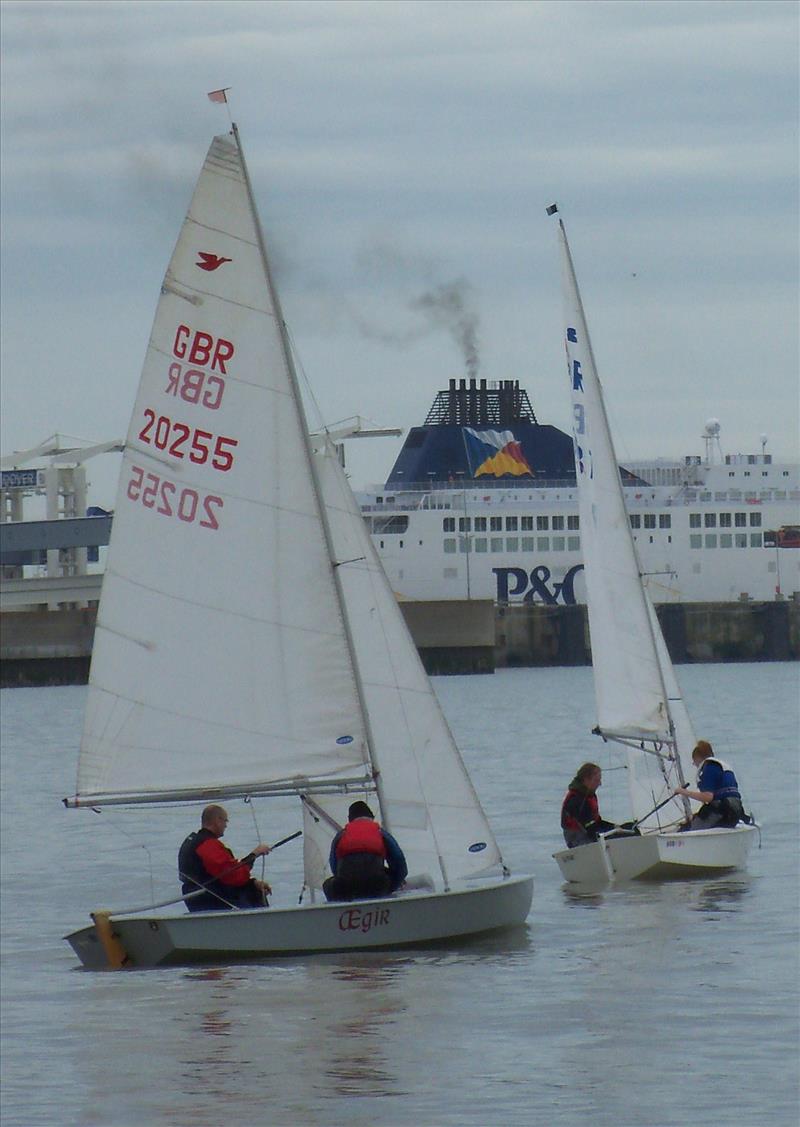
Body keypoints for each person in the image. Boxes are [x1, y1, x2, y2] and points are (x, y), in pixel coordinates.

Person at [178, 804, 272, 912]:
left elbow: (223, 873)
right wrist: (255, 854)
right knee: (254, 892)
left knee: (252, 886)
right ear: (217, 821)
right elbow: (233, 875)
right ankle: (263, 923)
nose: (226, 825)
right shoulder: (207, 845)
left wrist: (253, 882)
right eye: (225, 821)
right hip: (209, 900)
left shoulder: (192, 841)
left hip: (198, 896)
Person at [323, 801, 408, 902]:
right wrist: (394, 885)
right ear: (371, 817)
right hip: (377, 887)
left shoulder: (341, 835)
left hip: (346, 889)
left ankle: (338, 910)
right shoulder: (381, 833)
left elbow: (335, 867)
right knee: (389, 874)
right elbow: (399, 863)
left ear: (350, 820)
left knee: (327, 884)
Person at [673, 740, 747, 831]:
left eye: (694, 762)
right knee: (698, 818)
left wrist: (684, 792)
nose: (694, 764)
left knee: (686, 829)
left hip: (723, 810)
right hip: (736, 811)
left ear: (698, 758)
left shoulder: (709, 768)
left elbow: (708, 797)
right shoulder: (723, 766)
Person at [560, 762, 636, 848]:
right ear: (586, 780)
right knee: (624, 835)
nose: (600, 784)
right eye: (597, 780)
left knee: (632, 828)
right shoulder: (576, 800)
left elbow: (597, 823)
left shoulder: (589, 795)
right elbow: (590, 829)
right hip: (579, 840)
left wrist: (616, 827)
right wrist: (615, 831)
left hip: (592, 833)